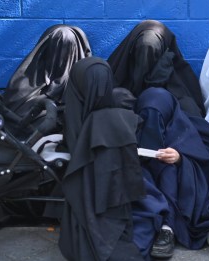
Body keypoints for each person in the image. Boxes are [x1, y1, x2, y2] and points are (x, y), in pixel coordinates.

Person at [132, 87, 209, 259]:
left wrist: (179, 158)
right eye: (148, 117)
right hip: (149, 185)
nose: (153, 122)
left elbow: (203, 163)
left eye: (157, 117)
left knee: (169, 169)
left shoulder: (185, 127)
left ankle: (167, 228)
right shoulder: (136, 126)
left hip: (182, 190)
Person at [58, 57, 145, 261]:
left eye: (102, 85)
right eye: (93, 85)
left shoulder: (112, 113)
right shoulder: (98, 117)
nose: (98, 93)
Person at [107, 20, 206, 117]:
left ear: (162, 51)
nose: (145, 59)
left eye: (153, 53)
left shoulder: (181, 97)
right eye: (141, 51)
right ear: (132, 49)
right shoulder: (115, 92)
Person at [3, 24, 92, 118]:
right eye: (57, 49)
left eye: (68, 51)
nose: (61, 58)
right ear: (47, 49)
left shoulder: (86, 83)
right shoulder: (22, 86)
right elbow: (14, 116)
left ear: (76, 51)